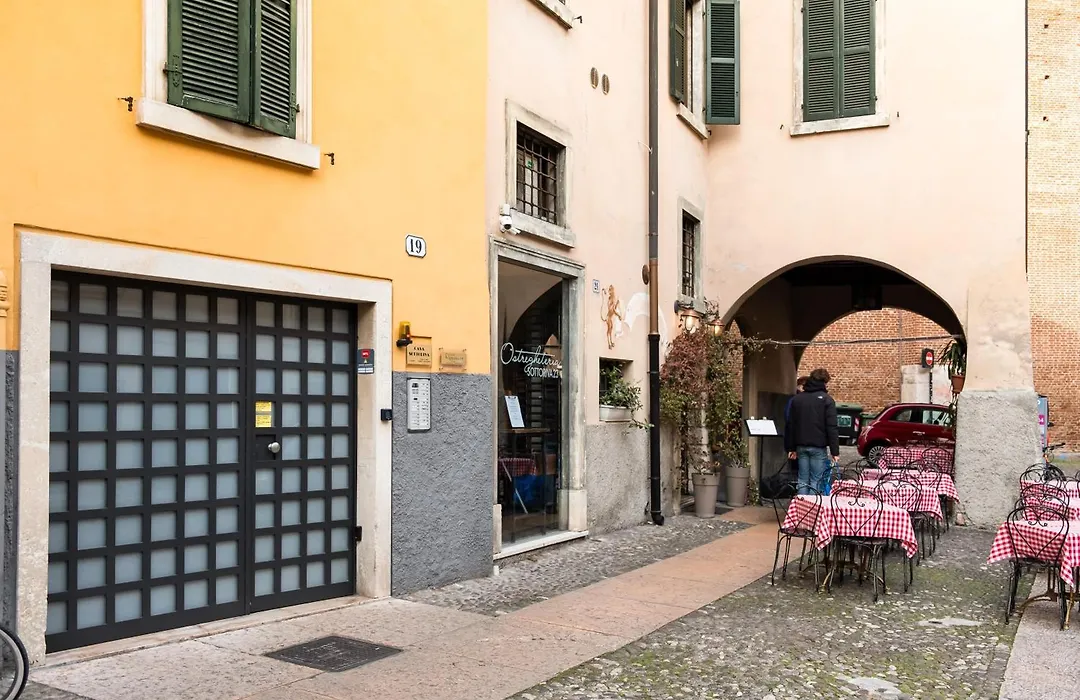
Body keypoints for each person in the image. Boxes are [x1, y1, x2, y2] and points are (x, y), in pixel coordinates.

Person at [784, 368, 840, 495]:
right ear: (825, 382)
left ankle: (801, 505)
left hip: (800, 446)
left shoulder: (797, 399)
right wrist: (835, 451)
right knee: (816, 481)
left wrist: (791, 448)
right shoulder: (827, 400)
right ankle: (812, 507)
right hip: (818, 446)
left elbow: (791, 425)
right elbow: (832, 427)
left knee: (802, 480)